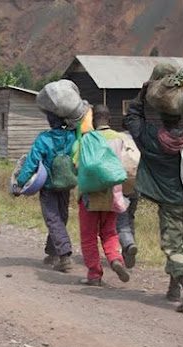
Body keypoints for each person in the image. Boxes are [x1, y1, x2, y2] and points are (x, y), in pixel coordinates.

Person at [123, 81, 183, 312]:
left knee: (173, 247)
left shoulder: (151, 139)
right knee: (182, 244)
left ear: (161, 116)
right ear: (181, 116)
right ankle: (173, 289)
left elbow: (132, 119)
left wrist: (141, 94)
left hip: (169, 202)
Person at [16, 112, 76, 272]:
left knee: (53, 219)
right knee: (61, 217)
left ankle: (64, 256)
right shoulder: (72, 136)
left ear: (50, 121)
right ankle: (52, 253)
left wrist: (20, 182)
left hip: (48, 186)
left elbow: (32, 162)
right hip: (66, 184)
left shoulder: (44, 139)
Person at [77, 105, 130, 286]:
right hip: (113, 193)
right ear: (110, 120)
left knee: (89, 236)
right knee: (109, 232)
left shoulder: (86, 140)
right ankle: (115, 259)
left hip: (90, 196)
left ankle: (94, 274)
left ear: (92, 121)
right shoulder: (119, 138)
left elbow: (76, 164)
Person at [117, 192, 139, 268]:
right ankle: (129, 249)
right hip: (135, 189)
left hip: (121, 191)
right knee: (130, 218)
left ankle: (128, 244)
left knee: (121, 223)